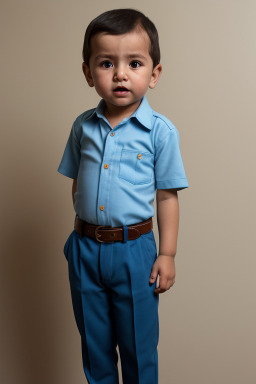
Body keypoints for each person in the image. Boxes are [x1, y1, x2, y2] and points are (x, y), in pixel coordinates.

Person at [57, 8, 189, 384]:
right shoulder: (82, 127)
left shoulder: (160, 132)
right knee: (95, 348)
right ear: (88, 73)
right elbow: (77, 182)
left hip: (135, 253)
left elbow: (167, 197)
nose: (120, 74)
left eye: (134, 63)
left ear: (154, 74)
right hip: (84, 249)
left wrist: (167, 253)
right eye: (105, 63)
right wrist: (81, 234)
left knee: (137, 349)